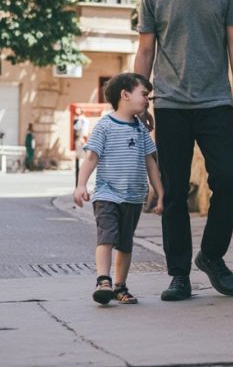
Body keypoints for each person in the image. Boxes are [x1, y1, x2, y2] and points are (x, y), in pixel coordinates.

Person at [134, 0, 233, 302]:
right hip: (171, 104)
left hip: (216, 102)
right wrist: (139, 98)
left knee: (228, 178)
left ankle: (212, 255)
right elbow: (146, 50)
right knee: (172, 190)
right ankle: (179, 274)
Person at [73, 73, 164, 305]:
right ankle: (103, 281)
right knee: (107, 237)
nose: (147, 100)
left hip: (133, 197)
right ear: (125, 95)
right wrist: (81, 184)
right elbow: (91, 158)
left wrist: (160, 193)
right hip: (107, 194)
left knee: (125, 243)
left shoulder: (141, 129)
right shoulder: (105, 126)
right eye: (144, 95)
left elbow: (150, 163)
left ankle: (120, 286)